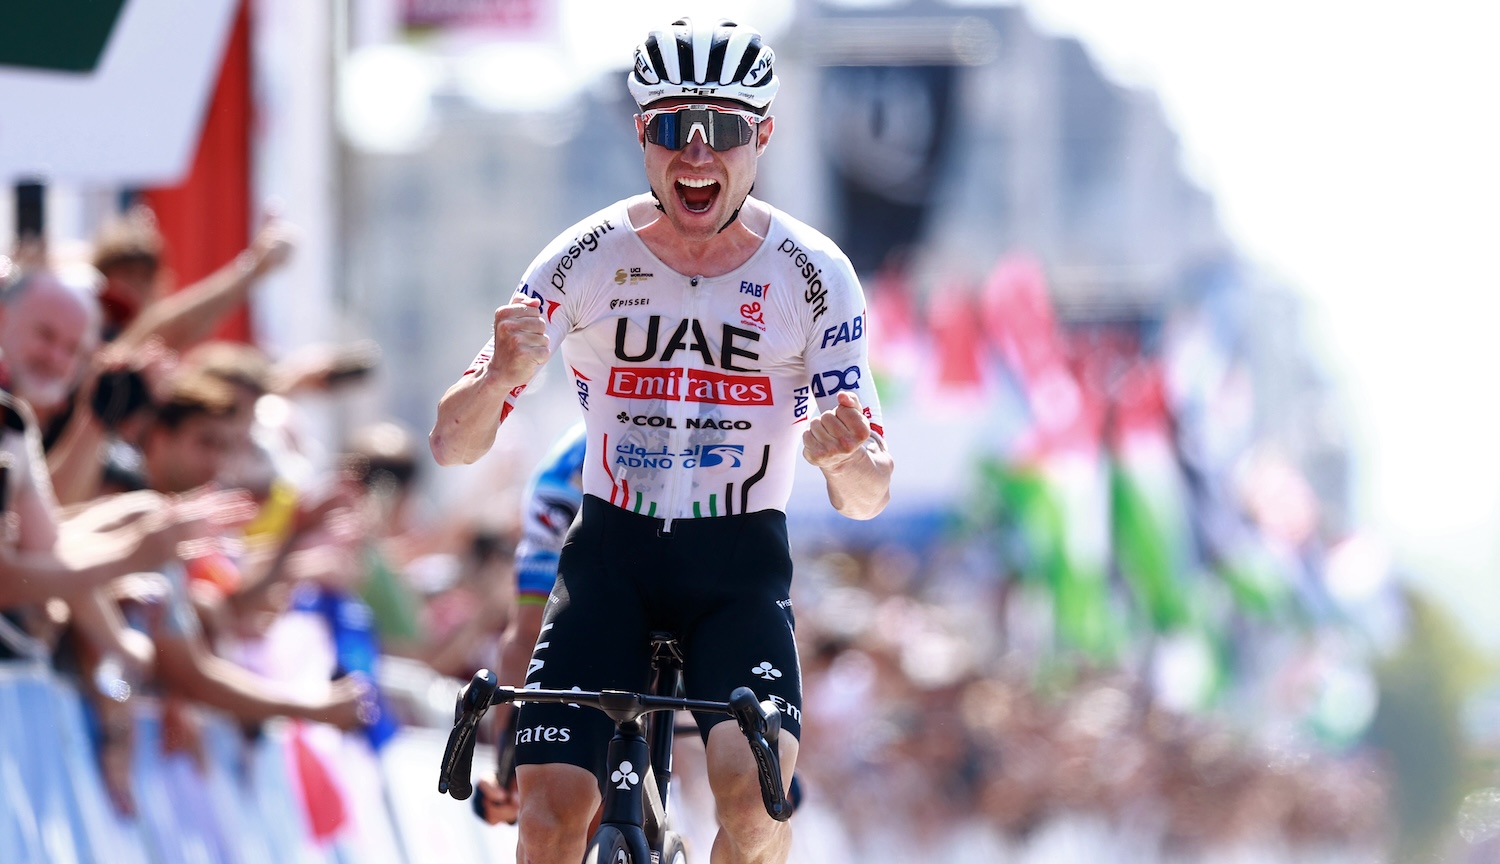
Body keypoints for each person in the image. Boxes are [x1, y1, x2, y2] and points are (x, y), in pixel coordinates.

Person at [431, 18, 893, 864]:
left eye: (723, 130)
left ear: (763, 136)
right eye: (673, 128)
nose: (697, 155)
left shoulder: (814, 273)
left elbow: (867, 493)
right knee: (549, 815)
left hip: (738, 566)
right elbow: (451, 446)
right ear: (643, 134)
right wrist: (496, 379)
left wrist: (843, 460)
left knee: (755, 809)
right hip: (610, 553)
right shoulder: (586, 256)